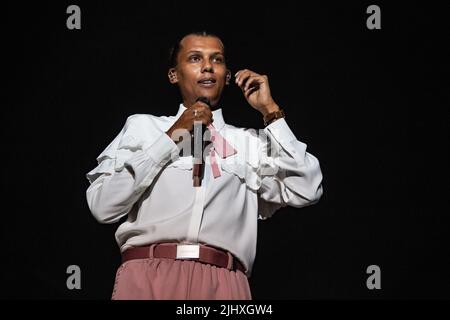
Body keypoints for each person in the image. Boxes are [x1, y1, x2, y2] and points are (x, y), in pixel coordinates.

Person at [85, 31, 323, 300]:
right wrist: (172, 137)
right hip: (147, 276)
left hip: (223, 282)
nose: (208, 66)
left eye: (217, 60)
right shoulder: (144, 127)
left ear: (227, 76)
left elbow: (308, 188)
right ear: (174, 74)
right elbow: (102, 206)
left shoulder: (250, 142)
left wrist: (270, 111)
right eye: (195, 58)